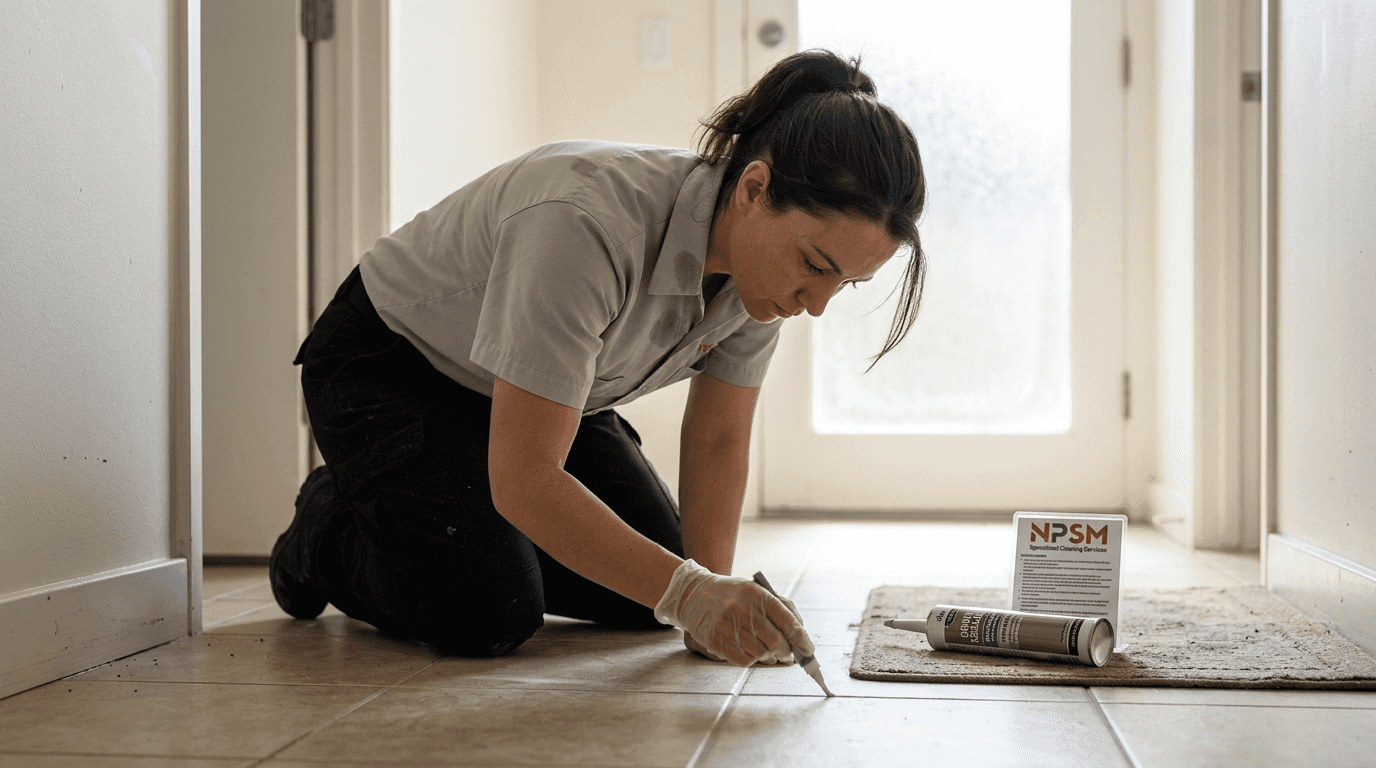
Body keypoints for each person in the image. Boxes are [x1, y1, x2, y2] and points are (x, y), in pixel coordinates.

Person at [269, 49, 927, 666]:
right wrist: (691, 594)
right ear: (754, 189)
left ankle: (455, 519)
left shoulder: (762, 283)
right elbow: (526, 475)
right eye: (816, 268)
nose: (815, 305)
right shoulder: (583, 221)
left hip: (537, 392)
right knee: (490, 608)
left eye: (844, 284)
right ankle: (326, 528)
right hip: (392, 365)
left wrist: (706, 603)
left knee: (652, 586)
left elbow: (719, 437)